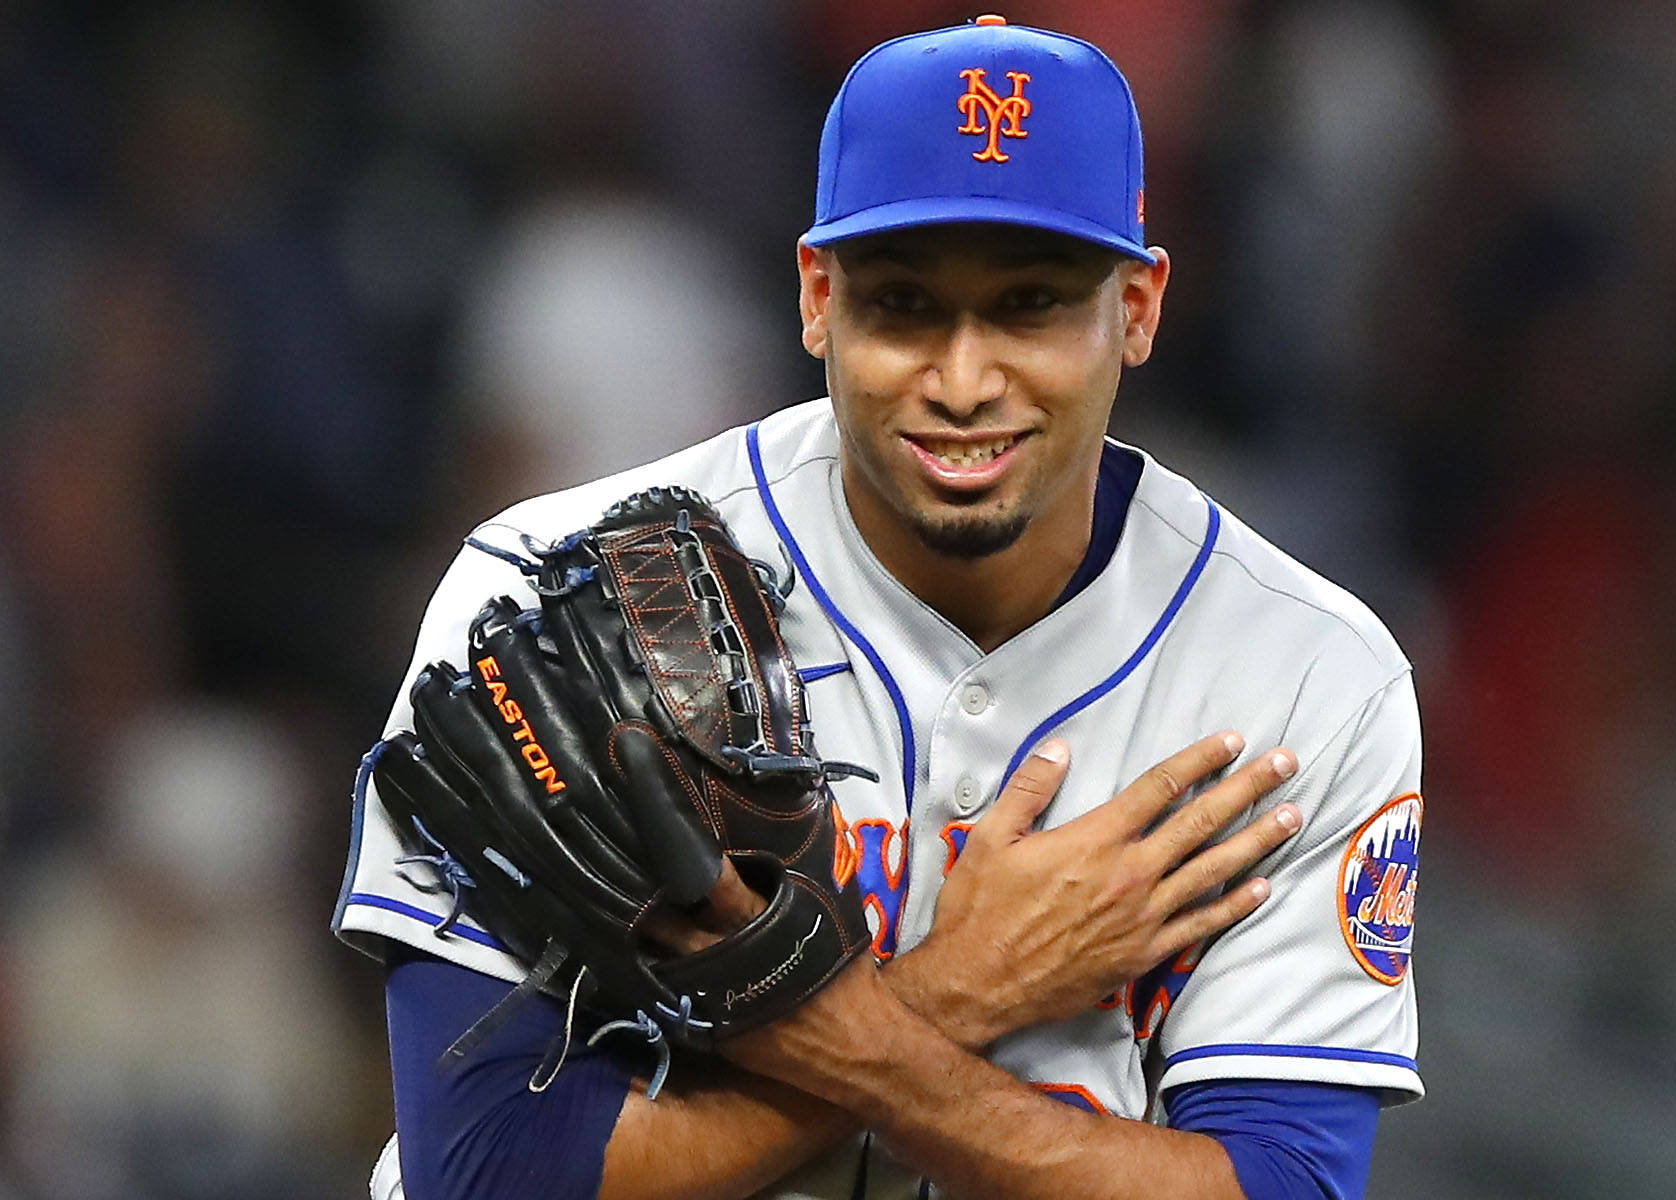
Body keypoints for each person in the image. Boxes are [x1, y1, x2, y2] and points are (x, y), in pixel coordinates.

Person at [334, 15, 1423, 1199]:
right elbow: (487, 1179)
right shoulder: (544, 591)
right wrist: (964, 984)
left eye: (1028, 306)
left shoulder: (1303, 674)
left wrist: (851, 1036)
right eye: (904, 305)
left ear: (1139, 306)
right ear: (816, 296)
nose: (963, 382)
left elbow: (1281, 1188)